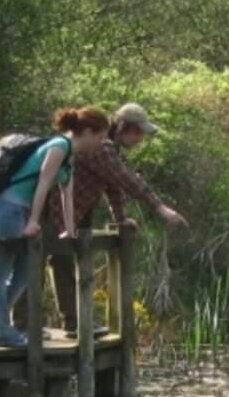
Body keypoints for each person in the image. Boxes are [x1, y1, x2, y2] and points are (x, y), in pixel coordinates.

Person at [18, 102, 187, 339]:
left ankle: (72, 322)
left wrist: (120, 218)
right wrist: (160, 208)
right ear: (123, 128)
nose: (140, 139)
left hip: (70, 214)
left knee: (61, 263)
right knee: (36, 263)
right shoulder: (102, 147)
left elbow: (113, 186)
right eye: (137, 132)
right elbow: (126, 179)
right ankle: (25, 323)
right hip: (51, 209)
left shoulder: (108, 149)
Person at [0, 107, 110, 348]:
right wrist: (34, 222)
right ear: (87, 132)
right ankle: (1, 331)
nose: (101, 144)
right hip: (7, 206)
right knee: (2, 268)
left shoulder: (70, 156)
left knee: (26, 270)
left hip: (18, 211)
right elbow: (43, 186)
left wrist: (70, 230)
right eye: (99, 138)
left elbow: (67, 194)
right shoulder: (59, 147)